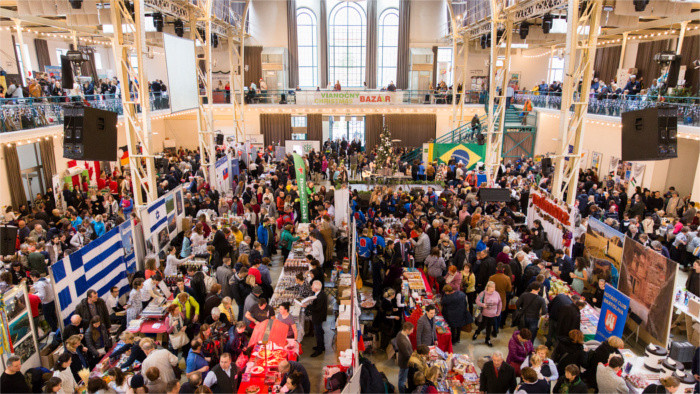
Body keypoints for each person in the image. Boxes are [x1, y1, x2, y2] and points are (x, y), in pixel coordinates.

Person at [473, 281, 502, 346]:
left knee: (489, 327)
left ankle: (487, 339)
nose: (494, 289)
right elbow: (477, 301)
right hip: (485, 314)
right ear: (488, 287)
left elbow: (500, 303)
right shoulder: (483, 293)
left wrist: (498, 312)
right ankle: (477, 332)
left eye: (494, 287)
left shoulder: (496, 293)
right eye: (492, 287)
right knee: (482, 326)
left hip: (493, 314)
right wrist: (483, 305)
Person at [305, 280, 327, 357]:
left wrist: (307, 306)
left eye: (312, 286)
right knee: (319, 332)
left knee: (318, 333)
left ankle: (319, 350)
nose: (311, 287)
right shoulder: (320, 293)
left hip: (318, 317)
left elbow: (317, 308)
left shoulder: (320, 296)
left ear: (316, 288)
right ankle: (321, 346)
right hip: (319, 316)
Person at [395, 322, 414, 393]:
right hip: (404, 362)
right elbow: (407, 354)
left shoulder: (401, 333)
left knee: (402, 377)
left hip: (403, 360)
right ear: (407, 330)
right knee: (402, 380)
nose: (412, 331)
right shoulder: (402, 341)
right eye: (411, 330)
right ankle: (402, 392)